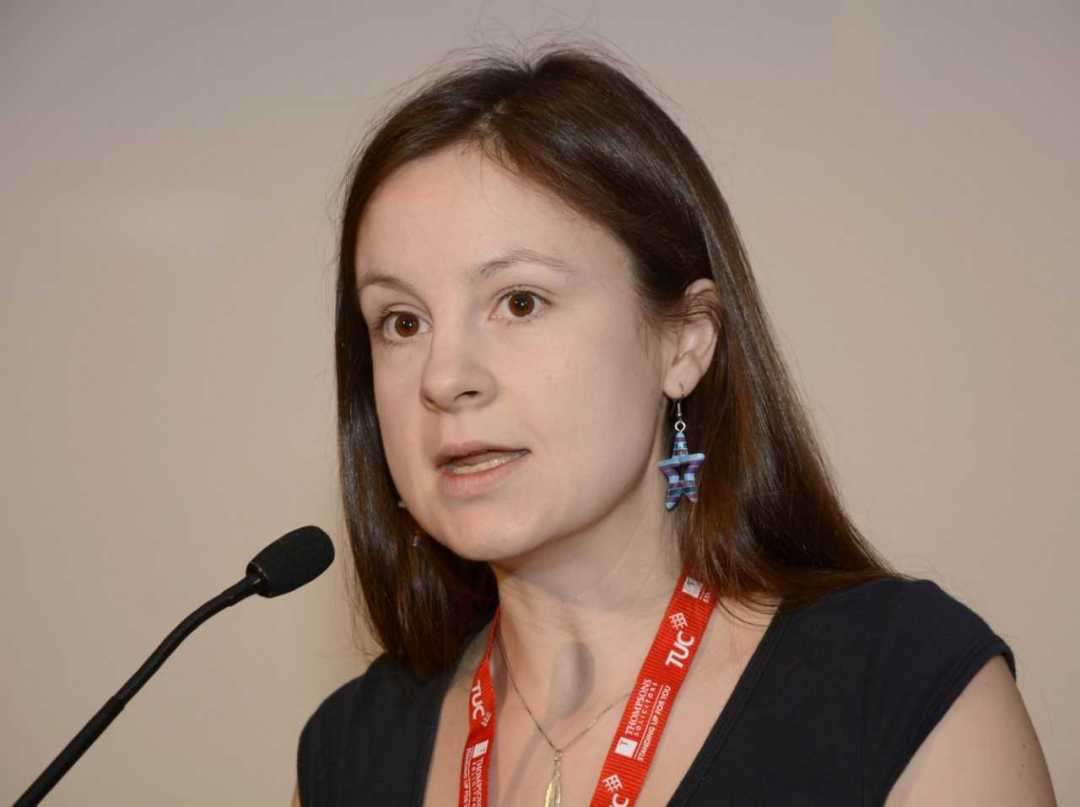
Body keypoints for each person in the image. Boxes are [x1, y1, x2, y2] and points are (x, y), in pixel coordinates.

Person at [293, 43, 1056, 806]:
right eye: (400, 321)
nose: (444, 376)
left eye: (519, 301)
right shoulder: (348, 751)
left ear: (685, 341)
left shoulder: (897, 686)